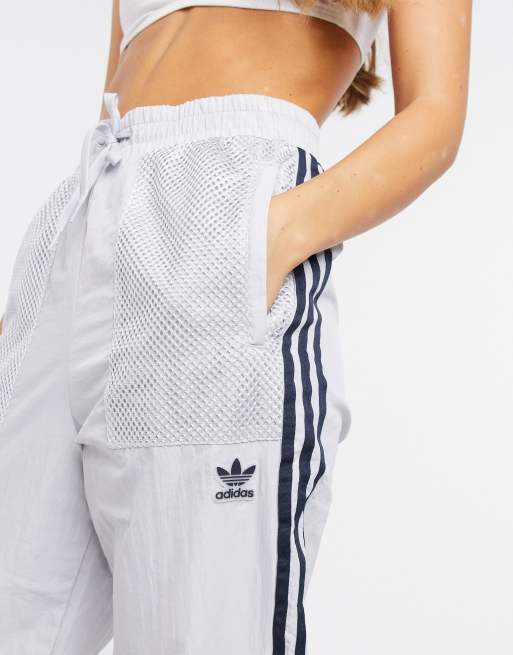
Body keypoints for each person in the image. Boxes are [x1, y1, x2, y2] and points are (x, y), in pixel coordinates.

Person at [0, 1, 472, 653]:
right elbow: (114, 98)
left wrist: (270, 238)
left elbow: (436, 114)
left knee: (202, 631)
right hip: (85, 219)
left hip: (225, 207)